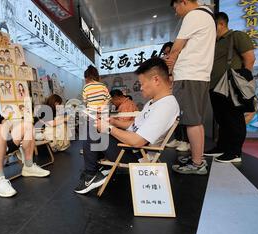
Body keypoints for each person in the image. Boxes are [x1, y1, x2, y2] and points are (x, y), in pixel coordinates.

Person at [75, 58, 180, 194]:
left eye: (142, 83)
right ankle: (96, 170)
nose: (140, 88)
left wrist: (108, 128)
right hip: (132, 149)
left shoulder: (166, 106)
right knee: (95, 128)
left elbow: (137, 141)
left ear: (156, 80)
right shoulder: (155, 103)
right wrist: (114, 122)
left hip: (136, 154)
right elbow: (135, 125)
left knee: (92, 131)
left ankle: (91, 174)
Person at [165, 0, 216, 175]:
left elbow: (176, 49)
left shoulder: (193, 15)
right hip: (200, 76)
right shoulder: (208, 16)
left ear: (183, 2)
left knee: (191, 122)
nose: (176, 12)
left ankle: (197, 163)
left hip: (189, 76)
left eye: (176, 8)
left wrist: (168, 72)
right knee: (196, 121)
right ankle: (198, 158)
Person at [205, 12, 255, 163]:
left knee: (234, 119)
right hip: (215, 87)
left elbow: (250, 58)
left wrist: (241, 83)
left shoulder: (237, 36)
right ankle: (222, 147)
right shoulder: (214, 42)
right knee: (222, 119)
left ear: (220, 24)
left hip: (230, 86)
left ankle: (234, 152)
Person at [160, 41, 190, 152]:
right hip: (172, 93)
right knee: (175, 116)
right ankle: (178, 138)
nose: (167, 56)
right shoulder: (166, 65)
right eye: (165, 53)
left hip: (183, 90)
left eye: (169, 52)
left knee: (185, 116)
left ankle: (186, 141)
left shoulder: (182, 63)